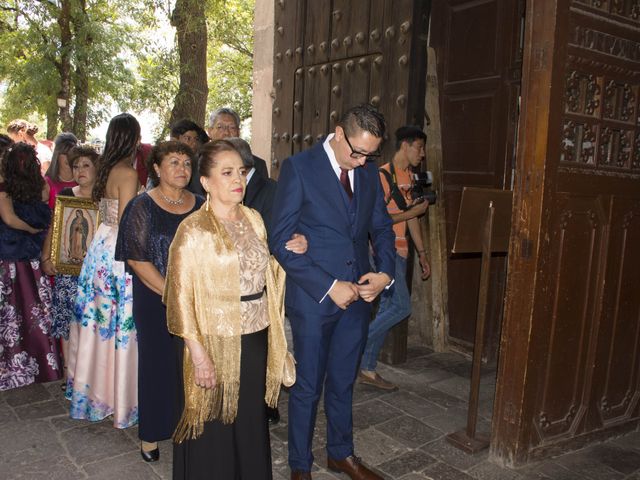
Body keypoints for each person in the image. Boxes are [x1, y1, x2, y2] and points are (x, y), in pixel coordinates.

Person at [269, 104, 396, 480]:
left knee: (343, 381)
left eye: (370, 154)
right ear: (338, 133)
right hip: (313, 300)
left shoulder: (369, 172)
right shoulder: (299, 168)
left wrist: (384, 274)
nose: (361, 161)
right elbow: (279, 240)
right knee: (307, 387)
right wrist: (329, 286)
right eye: (357, 152)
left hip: (359, 297)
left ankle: (341, 454)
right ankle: (300, 467)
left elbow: (383, 228)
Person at [164, 140, 290, 480]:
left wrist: (287, 252)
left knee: (250, 420)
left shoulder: (254, 218)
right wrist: (199, 355)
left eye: (242, 172)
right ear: (205, 182)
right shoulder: (192, 230)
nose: (239, 179)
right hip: (211, 339)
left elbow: (261, 271)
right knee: (213, 423)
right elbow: (179, 299)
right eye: (228, 172)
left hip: (254, 336)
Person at [115, 141, 204, 463]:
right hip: (156, 299)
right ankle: (151, 433)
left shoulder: (203, 205)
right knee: (157, 366)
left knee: (193, 364)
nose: (182, 169)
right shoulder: (141, 206)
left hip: (198, 298)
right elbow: (138, 260)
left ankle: (191, 424)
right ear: (156, 168)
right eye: (174, 162)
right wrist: (173, 293)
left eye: (187, 164)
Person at [65, 113, 140, 428]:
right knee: (120, 324)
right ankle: (117, 395)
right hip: (118, 253)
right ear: (133, 139)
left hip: (99, 248)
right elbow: (128, 222)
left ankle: (94, 391)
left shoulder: (107, 169)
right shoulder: (128, 174)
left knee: (97, 325)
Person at [227, 136, 306, 425]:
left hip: (262, 283)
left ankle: (266, 401)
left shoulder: (271, 190)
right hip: (230, 283)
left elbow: (276, 237)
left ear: (244, 164)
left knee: (264, 346)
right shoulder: (224, 190)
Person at [358, 126, 431, 391]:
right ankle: (355, 345)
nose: (422, 154)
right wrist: (413, 212)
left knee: (390, 308)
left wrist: (422, 254)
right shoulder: (382, 176)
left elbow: (412, 221)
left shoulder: (410, 178)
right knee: (401, 307)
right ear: (404, 146)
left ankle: (366, 367)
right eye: (418, 147)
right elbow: (376, 222)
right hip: (382, 251)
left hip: (400, 251)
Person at [0, 143, 61, 391]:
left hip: (19, 255)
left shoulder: (8, 184)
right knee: (27, 309)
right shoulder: (29, 185)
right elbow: (9, 218)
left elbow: (10, 217)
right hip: (20, 255)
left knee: (22, 310)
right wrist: (33, 228)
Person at [41, 145, 99, 379]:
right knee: (67, 319)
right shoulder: (66, 196)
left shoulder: (104, 198)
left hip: (95, 271)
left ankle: (91, 373)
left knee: (91, 319)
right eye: (76, 166)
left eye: (86, 165)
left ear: (97, 169)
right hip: (68, 269)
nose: (80, 171)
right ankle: (69, 372)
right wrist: (47, 257)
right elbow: (55, 228)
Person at [207, 107, 269, 180]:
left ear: (238, 132)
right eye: (220, 127)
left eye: (232, 127)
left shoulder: (257, 164)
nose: (226, 132)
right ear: (210, 131)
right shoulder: (196, 163)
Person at [169, 118, 209, 194]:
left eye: (196, 139)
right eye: (188, 138)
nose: (193, 143)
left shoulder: (201, 164)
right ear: (174, 140)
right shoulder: (163, 164)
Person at [45, 132, 79, 208]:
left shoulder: (83, 180)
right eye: (65, 153)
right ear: (57, 156)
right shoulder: (46, 183)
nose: (68, 157)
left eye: (71, 153)